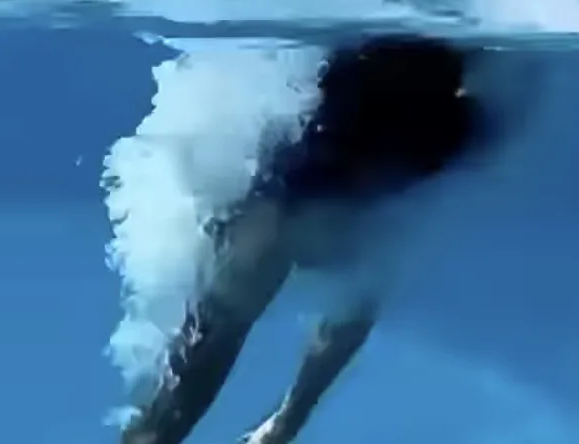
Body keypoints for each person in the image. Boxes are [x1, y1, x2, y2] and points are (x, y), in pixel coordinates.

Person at [116, 33, 519, 444]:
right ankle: (279, 423)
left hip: (322, 179)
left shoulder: (438, 117)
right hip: (337, 177)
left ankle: (270, 423)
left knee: (229, 323)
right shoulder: (451, 121)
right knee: (338, 286)